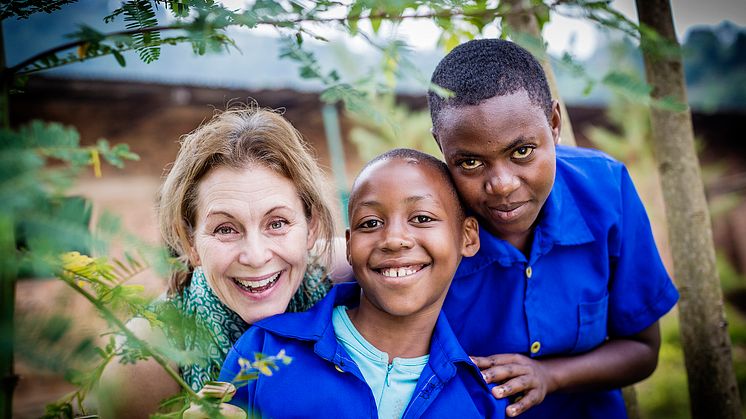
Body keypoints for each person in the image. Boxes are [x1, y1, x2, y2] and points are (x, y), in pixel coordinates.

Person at [427, 38, 680, 418]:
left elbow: (643, 349)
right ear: (442, 147)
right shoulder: (427, 223)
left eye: (522, 151)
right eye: (470, 163)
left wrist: (550, 376)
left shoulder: (606, 191)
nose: (502, 184)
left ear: (554, 124)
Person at [219, 148, 507, 418]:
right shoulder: (264, 350)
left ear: (468, 237)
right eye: (370, 223)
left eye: (421, 218)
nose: (394, 239)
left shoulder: (480, 398)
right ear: (349, 245)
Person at [98, 103, 338, 418]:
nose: (255, 256)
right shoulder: (146, 360)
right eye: (225, 229)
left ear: (312, 227)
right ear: (190, 243)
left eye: (277, 223)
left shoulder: (348, 294)